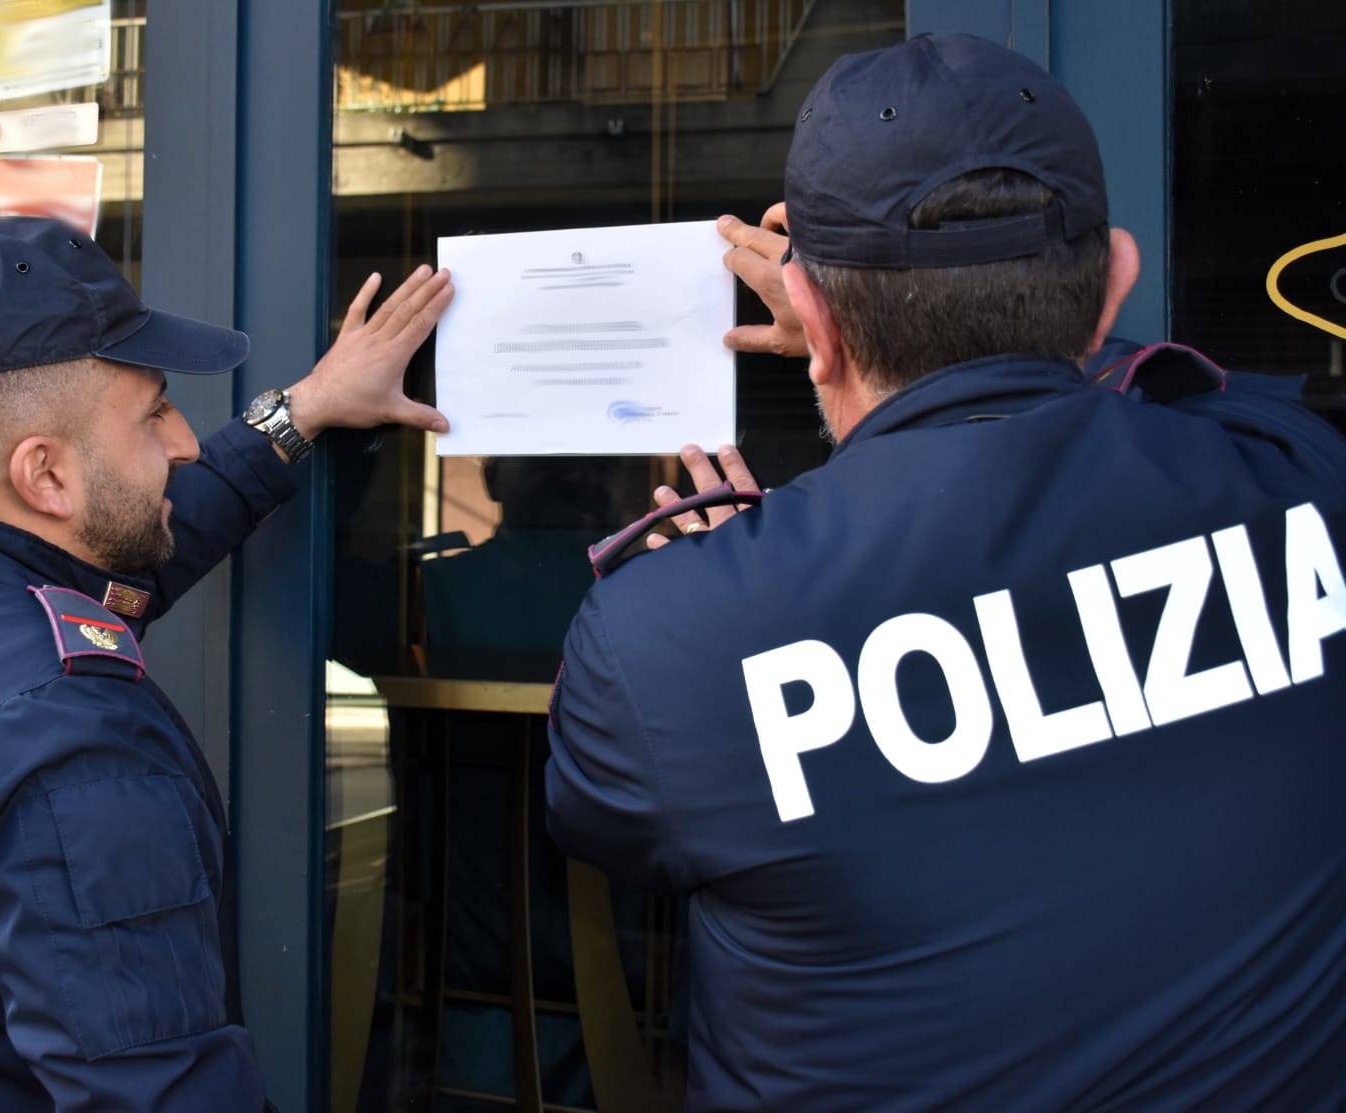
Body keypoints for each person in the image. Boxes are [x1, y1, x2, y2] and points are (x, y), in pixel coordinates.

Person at [545, 33, 1346, 1110]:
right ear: (1115, 281)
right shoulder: (1300, 481)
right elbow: (1202, 395)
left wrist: (755, 572)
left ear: (809, 319)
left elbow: (610, 824)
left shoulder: (673, 636)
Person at [0, 215, 452, 1110]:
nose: (184, 441)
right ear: (44, 477)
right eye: (153, 411)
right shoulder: (68, 741)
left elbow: (126, 560)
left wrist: (306, 407)